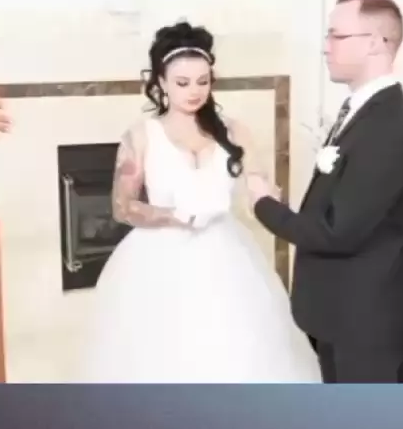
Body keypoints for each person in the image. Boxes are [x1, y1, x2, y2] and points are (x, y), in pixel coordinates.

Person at [83, 21, 319, 383]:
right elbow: (123, 207)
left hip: (226, 251)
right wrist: (175, 215)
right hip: (157, 258)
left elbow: (258, 185)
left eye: (202, 81)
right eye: (182, 83)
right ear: (161, 82)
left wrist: (270, 197)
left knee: (236, 346)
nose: (194, 91)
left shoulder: (233, 130)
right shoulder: (141, 135)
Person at [248, 0, 403, 384]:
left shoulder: (386, 126)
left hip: (367, 323)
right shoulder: (364, 111)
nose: (325, 47)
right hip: (343, 314)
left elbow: (337, 232)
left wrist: (264, 204)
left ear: (375, 43)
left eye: (336, 35)